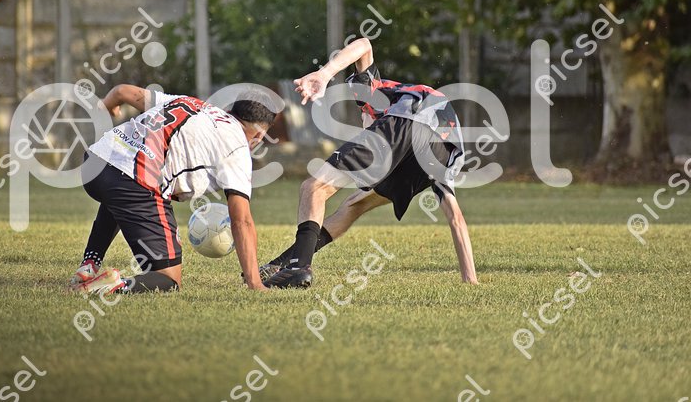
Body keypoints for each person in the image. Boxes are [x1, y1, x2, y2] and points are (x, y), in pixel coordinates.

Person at [261, 37, 478, 288]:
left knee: (314, 187)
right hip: (442, 151)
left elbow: (364, 44)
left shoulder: (372, 96)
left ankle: (298, 267)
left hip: (406, 120)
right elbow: (456, 219)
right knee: (354, 205)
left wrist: (324, 74)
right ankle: (281, 264)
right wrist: (470, 280)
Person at [69, 84, 276, 294]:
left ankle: (89, 264)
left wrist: (107, 106)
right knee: (169, 279)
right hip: (131, 182)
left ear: (231, 110)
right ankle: (111, 285)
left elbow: (121, 91)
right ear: (259, 136)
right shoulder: (238, 148)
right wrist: (255, 283)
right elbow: (241, 221)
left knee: (118, 194)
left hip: (95, 162)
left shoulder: (191, 102)